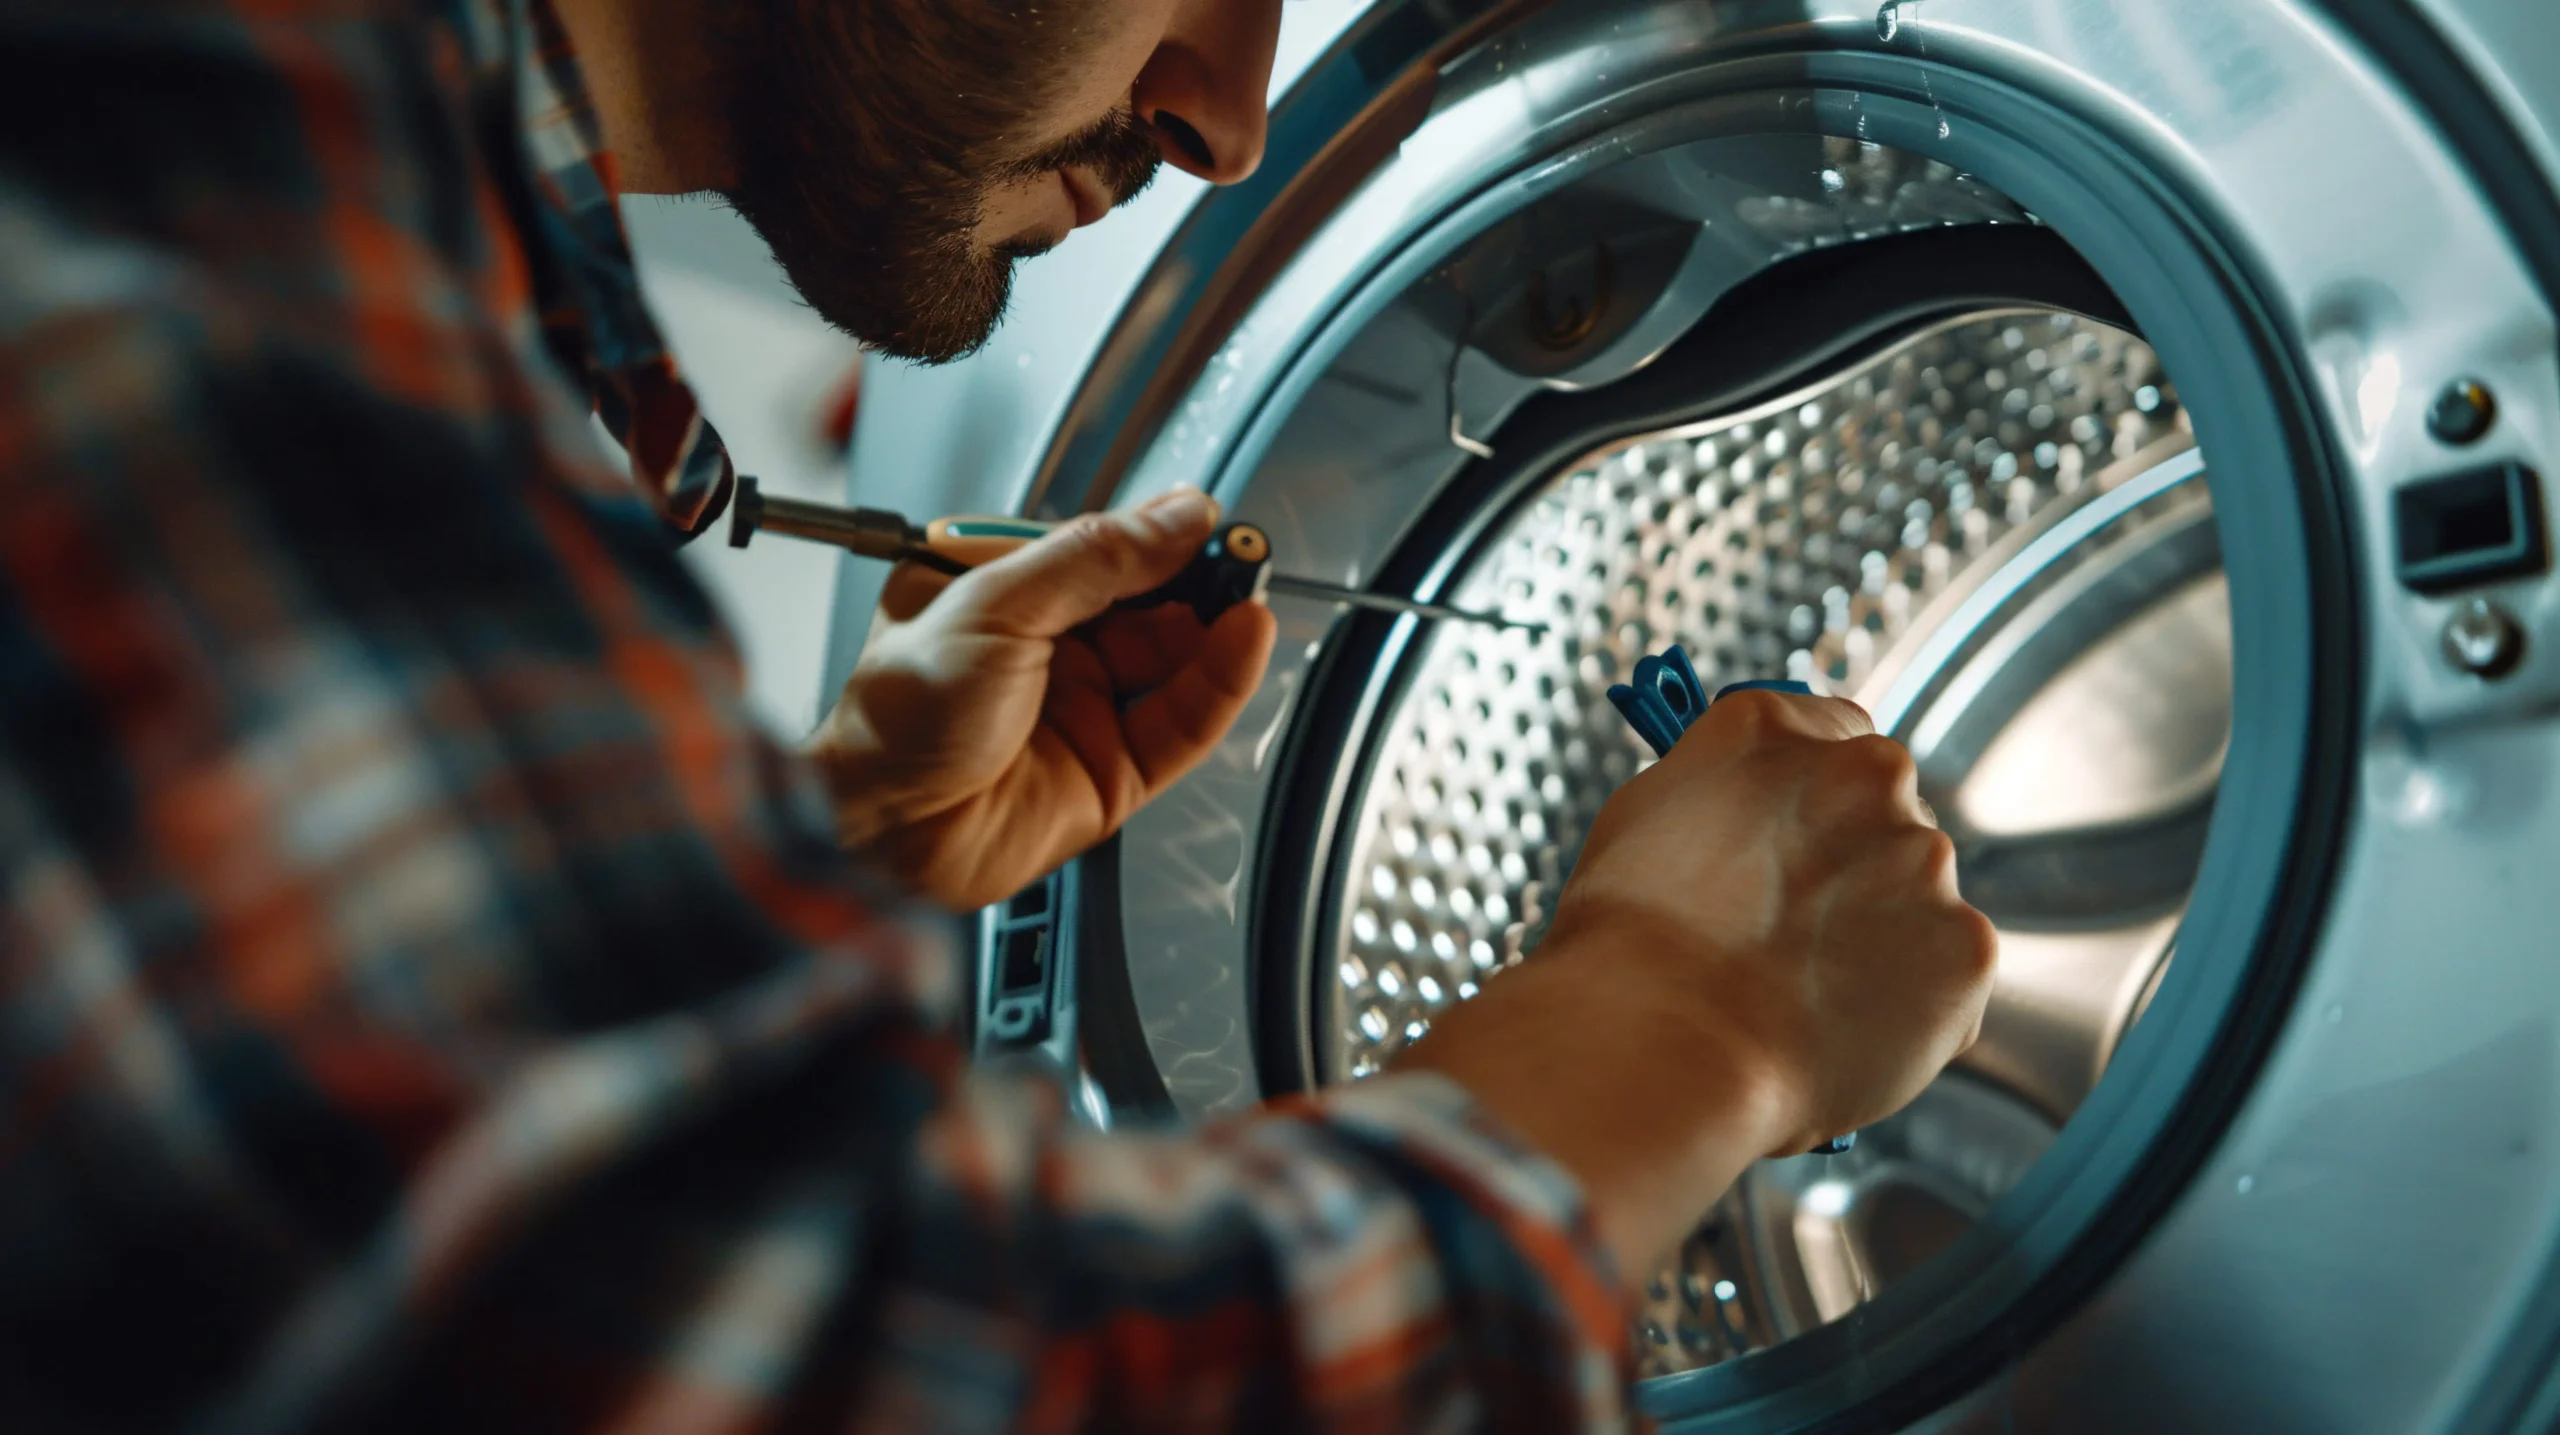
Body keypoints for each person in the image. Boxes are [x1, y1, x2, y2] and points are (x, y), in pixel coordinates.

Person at [0, 0, 1996, 1429]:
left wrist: (828, 840)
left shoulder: (360, 217)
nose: (1224, 111)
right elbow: (811, 1371)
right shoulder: (170, 211)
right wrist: (1682, 1000)